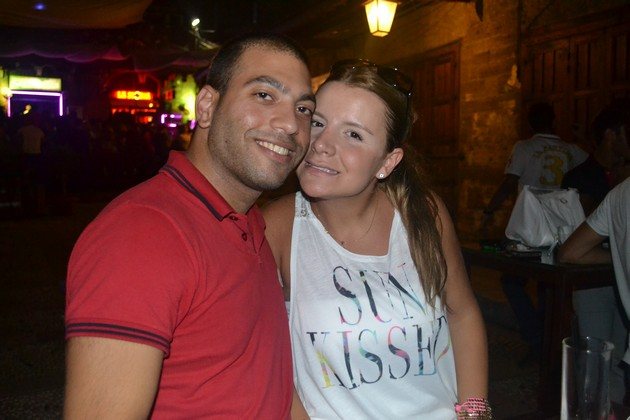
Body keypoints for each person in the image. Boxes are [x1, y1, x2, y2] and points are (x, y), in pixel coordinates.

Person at [64, 33, 316, 418]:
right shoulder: (142, 233)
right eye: (264, 95)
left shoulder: (250, 223)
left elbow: (273, 385)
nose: (290, 124)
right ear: (208, 106)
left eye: (303, 109)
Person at [263, 59, 489, 419]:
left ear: (388, 161)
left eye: (353, 134)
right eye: (318, 123)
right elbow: (264, 362)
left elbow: (462, 312)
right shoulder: (277, 227)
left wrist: (475, 411)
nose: (321, 144)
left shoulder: (422, 215)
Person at [481, 102, 588, 362]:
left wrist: (490, 210)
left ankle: (537, 338)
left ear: (530, 123)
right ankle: (546, 341)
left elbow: (510, 181)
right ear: (554, 121)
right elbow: (592, 164)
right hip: (561, 226)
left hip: (531, 227)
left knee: (512, 280)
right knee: (546, 285)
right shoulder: (572, 150)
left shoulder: (524, 147)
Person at [559, 105, 630, 403]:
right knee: (596, 358)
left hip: (617, 279)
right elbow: (577, 236)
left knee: (618, 355)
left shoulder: (622, 184)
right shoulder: (581, 176)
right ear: (612, 135)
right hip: (594, 282)